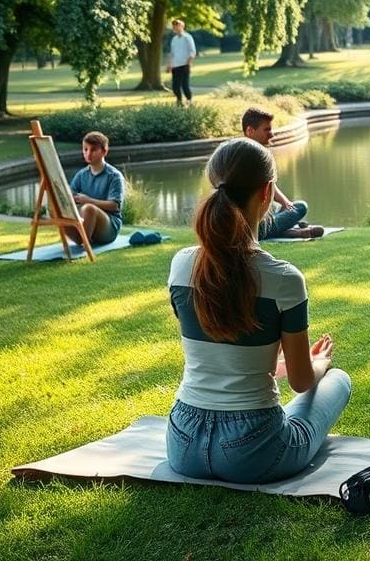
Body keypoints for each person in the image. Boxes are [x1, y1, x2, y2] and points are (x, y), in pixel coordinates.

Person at [165, 138, 351, 483]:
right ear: (267, 192)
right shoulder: (284, 279)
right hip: (255, 452)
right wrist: (321, 364)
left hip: (183, 444)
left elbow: (218, 345)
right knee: (338, 381)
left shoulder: (181, 266)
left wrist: (273, 365)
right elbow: (301, 382)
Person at [242, 107, 324, 240]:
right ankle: (293, 231)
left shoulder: (241, 152)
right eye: (266, 130)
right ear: (250, 131)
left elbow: (269, 185)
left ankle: (294, 231)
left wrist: (286, 203)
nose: (271, 134)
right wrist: (286, 204)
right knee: (301, 207)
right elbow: (267, 186)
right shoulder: (250, 156)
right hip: (251, 227)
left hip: (255, 219)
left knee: (283, 207)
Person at [66, 131, 126, 246]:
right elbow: (71, 195)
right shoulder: (81, 174)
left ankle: (85, 243)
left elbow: (115, 206)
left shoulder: (114, 176)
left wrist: (88, 200)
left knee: (89, 208)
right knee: (57, 210)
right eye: (85, 149)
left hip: (109, 226)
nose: (88, 154)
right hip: (85, 221)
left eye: (93, 150)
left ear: (104, 151)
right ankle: (81, 239)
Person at [166, 18, 196, 106]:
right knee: (175, 87)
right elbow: (172, 53)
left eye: (177, 26)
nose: (175, 28)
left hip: (184, 65)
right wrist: (169, 65)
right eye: (174, 26)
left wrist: (188, 62)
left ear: (182, 26)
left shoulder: (187, 37)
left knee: (184, 85)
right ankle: (179, 101)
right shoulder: (174, 39)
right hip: (175, 66)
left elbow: (192, 52)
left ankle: (189, 100)